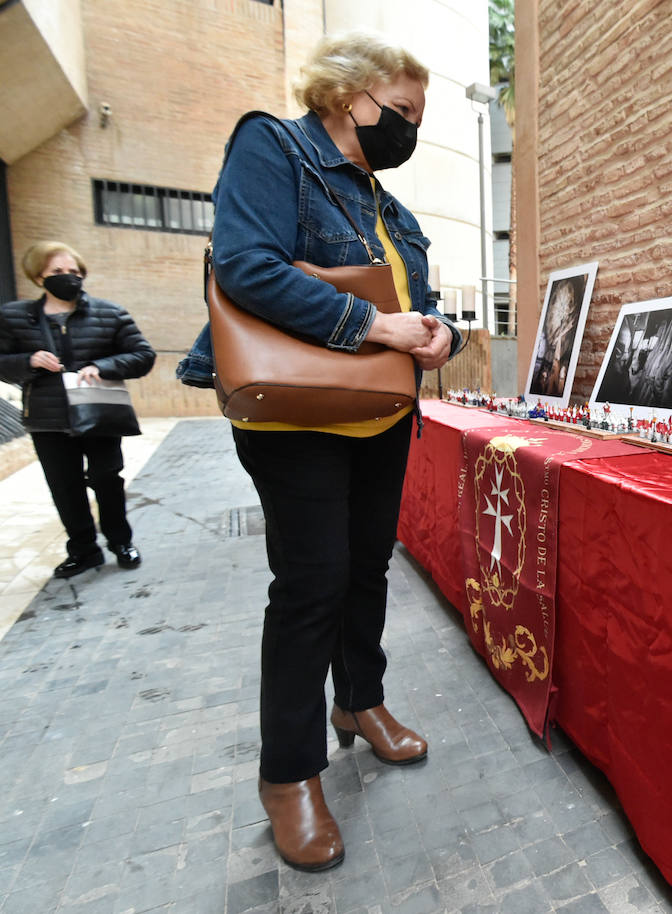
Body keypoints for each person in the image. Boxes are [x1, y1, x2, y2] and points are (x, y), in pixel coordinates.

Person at [176, 32, 463, 872]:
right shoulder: (274, 147)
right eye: (402, 112)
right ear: (351, 97)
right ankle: (289, 775)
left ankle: (360, 704)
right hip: (295, 415)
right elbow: (245, 267)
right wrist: (373, 325)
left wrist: (438, 332)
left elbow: (421, 300)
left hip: (378, 411)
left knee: (367, 567)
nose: (408, 130)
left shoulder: (392, 209)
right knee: (309, 586)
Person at [0, 242, 154, 578]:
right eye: (57, 272)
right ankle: (84, 550)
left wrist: (105, 365)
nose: (68, 278)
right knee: (64, 486)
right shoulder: (14, 317)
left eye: (74, 271)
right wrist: (27, 361)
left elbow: (143, 355)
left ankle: (120, 542)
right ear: (38, 275)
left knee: (107, 479)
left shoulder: (109, 313)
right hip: (48, 418)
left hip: (100, 411)